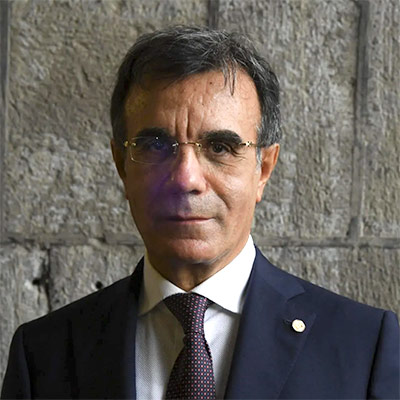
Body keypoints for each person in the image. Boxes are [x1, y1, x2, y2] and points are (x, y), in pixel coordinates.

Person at [1, 26, 399, 400]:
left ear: (263, 169)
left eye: (220, 147)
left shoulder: (364, 348)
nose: (186, 179)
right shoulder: (43, 355)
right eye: (156, 146)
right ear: (122, 165)